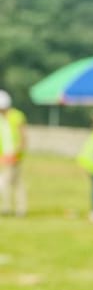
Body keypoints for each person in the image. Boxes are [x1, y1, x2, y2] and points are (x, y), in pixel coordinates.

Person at [0, 89, 28, 217]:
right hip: (4, 156)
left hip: (14, 156)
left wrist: (17, 152)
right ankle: (7, 207)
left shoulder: (16, 116)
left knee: (12, 182)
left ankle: (19, 209)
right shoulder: (1, 119)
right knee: (8, 182)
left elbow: (23, 136)